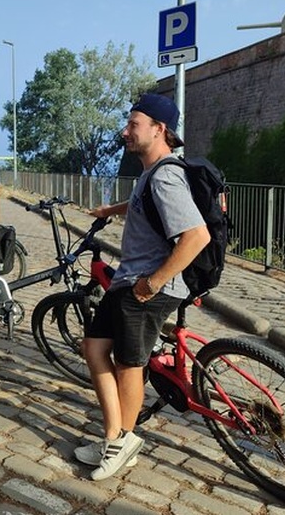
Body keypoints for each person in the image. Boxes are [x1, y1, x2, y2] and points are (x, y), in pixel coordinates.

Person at [76, 93, 210, 480]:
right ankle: (115, 438)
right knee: (94, 348)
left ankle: (122, 441)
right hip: (129, 281)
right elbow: (141, 202)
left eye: (134, 124)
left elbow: (196, 236)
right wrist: (109, 210)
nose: (125, 131)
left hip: (148, 287)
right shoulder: (150, 174)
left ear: (159, 129)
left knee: (128, 364)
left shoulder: (166, 175)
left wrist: (152, 283)